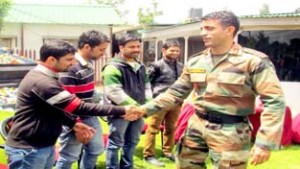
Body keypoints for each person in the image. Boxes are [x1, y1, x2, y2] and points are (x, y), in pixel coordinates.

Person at [139, 11, 285, 169]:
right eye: (202, 28)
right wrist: (142, 110)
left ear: (229, 30)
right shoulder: (196, 61)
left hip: (230, 131)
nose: (203, 33)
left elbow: (274, 101)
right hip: (196, 126)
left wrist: (264, 142)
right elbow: (176, 92)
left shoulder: (253, 62)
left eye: (209, 28)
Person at [4, 40, 142, 169]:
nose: (73, 63)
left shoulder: (48, 77)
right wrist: (122, 109)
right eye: (69, 59)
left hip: (41, 145)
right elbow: (78, 107)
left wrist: (73, 124)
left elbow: (53, 109)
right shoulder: (43, 82)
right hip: (28, 149)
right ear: (51, 60)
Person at [56, 30, 109, 169]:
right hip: (75, 119)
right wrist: (76, 124)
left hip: (90, 115)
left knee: (96, 149)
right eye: (101, 50)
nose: (103, 53)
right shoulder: (70, 68)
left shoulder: (88, 64)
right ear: (87, 47)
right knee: (69, 156)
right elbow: (66, 101)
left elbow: (88, 93)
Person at [102, 33, 152, 169]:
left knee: (132, 142)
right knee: (115, 143)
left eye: (138, 46)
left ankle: (127, 166)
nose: (136, 49)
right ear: (121, 47)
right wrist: (137, 108)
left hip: (139, 112)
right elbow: (113, 92)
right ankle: (112, 167)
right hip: (120, 112)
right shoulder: (112, 67)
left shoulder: (141, 66)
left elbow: (147, 87)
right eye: (132, 47)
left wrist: (146, 106)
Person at [143, 40, 183, 167]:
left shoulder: (181, 66)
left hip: (176, 102)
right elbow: (147, 83)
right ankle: (148, 155)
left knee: (171, 128)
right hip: (159, 102)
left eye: (177, 50)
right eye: (172, 50)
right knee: (153, 128)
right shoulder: (156, 65)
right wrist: (151, 100)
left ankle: (168, 152)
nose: (175, 53)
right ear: (164, 50)